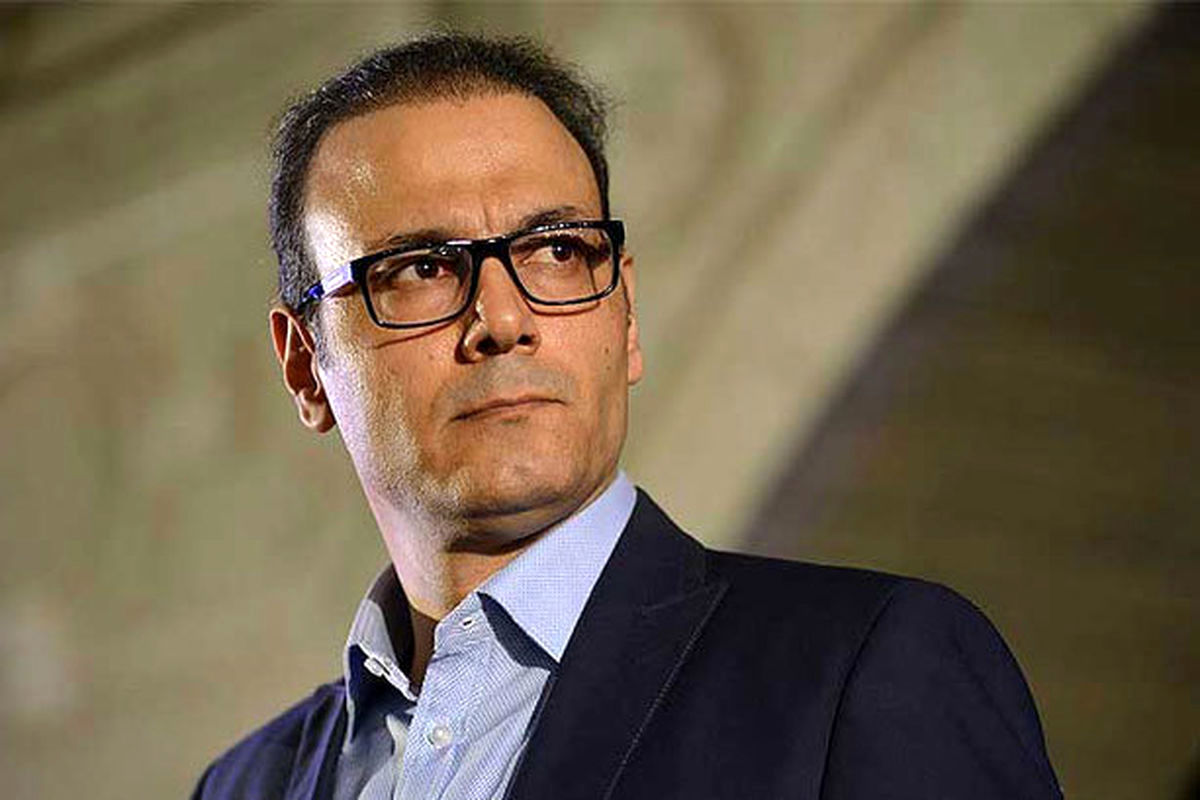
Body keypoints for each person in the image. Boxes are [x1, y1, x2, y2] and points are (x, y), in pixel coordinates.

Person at [192, 32, 1063, 800]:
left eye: (557, 250)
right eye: (421, 269)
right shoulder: (239, 786)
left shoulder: (862, 674)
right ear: (305, 366)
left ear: (627, 316)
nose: (504, 319)